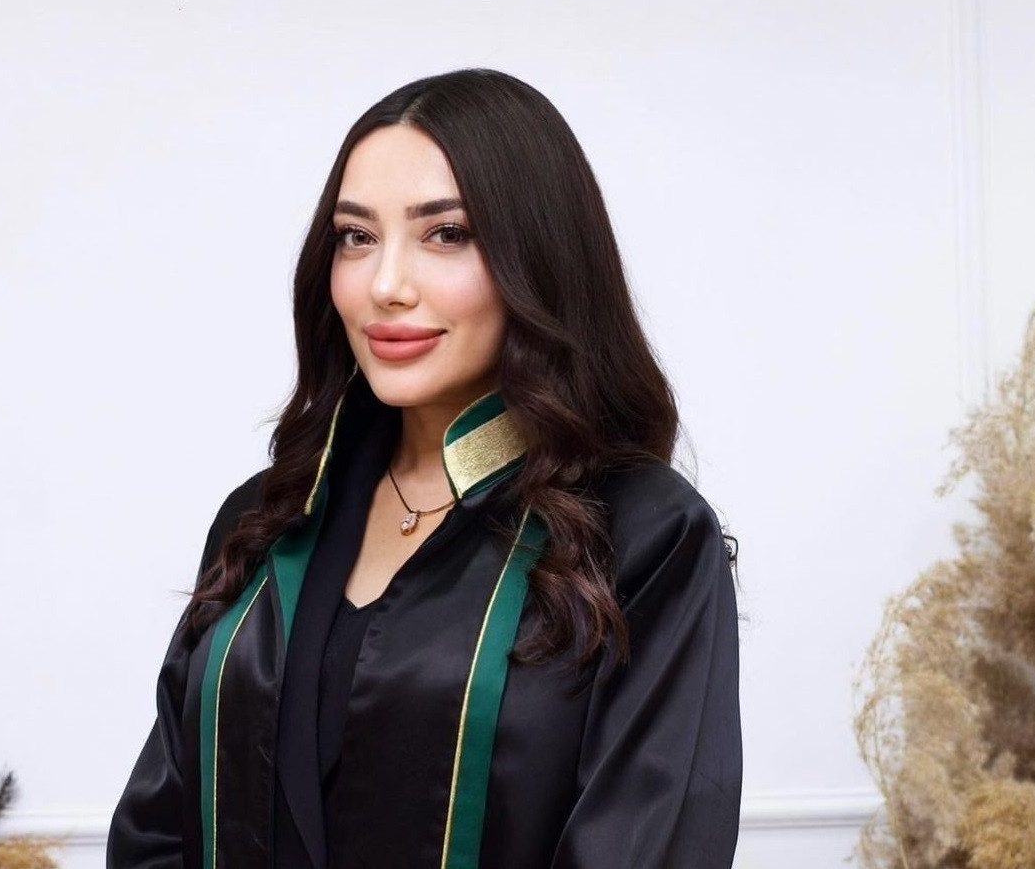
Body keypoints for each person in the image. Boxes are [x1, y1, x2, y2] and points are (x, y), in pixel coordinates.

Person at [107, 68, 741, 869]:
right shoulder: (269, 518)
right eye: (356, 236)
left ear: (537, 258)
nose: (385, 285)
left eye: (446, 234)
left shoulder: (644, 537)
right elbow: (157, 831)